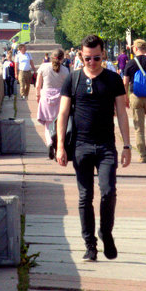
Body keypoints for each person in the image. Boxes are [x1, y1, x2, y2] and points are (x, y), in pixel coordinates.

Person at [56, 35, 131, 262]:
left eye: (96, 58)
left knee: (108, 192)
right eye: (87, 58)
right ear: (81, 55)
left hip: (107, 145)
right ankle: (90, 245)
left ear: (103, 55)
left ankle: (105, 233)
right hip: (81, 145)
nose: (92, 62)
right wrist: (60, 146)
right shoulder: (73, 79)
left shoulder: (113, 79)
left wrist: (127, 145)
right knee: (84, 196)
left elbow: (121, 113)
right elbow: (63, 113)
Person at [122, 39, 146, 163]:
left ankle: (143, 155)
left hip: (136, 96)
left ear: (135, 49)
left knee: (139, 128)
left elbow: (125, 82)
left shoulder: (131, 63)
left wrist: (125, 97)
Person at [36, 49, 69, 159]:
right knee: (60, 123)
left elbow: (38, 85)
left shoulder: (43, 67)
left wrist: (37, 96)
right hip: (60, 98)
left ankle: (50, 142)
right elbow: (67, 87)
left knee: (47, 125)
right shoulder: (65, 70)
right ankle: (58, 146)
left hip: (46, 96)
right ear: (62, 58)